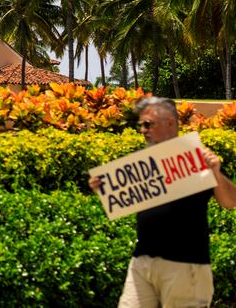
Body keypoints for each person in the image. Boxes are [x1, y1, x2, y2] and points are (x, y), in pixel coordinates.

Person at [89, 97, 236, 308]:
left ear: (169, 123)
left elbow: (231, 201)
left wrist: (215, 173)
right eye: (140, 125)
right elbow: (124, 202)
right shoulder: (143, 163)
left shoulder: (197, 159)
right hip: (142, 263)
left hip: (184, 267)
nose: (143, 130)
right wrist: (105, 189)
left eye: (148, 124)